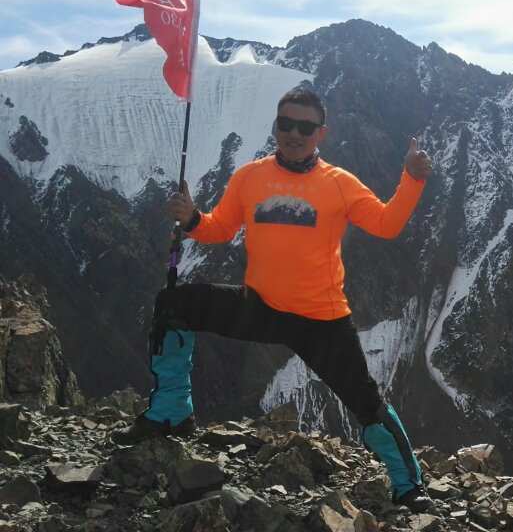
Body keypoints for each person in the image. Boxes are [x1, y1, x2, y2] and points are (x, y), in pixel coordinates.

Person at [113, 88, 433, 512]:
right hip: (260, 307)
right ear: (276, 126)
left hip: (322, 321)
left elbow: (386, 224)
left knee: (366, 402)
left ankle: (407, 485)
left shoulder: (339, 184)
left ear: (321, 133)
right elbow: (220, 228)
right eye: (286, 124)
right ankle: (172, 411)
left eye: (305, 127)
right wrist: (192, 219)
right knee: (174, 304)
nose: (294, 134)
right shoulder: (250, 177)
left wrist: (412, 179)